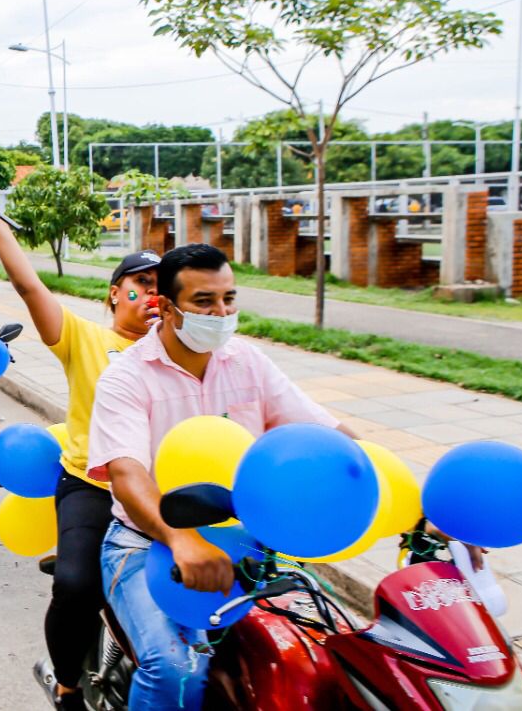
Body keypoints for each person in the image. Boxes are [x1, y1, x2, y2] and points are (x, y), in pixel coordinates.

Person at [86, 244, 352, 711]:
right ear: (166, 307)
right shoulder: (126, 377)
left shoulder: (248, 362)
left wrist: (407, 495)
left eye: (229, 298)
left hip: (246, 541)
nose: (222, 312)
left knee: (313, 652)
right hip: (146, 541)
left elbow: (322, 431)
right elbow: (127, 475)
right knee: (175, 669)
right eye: (204, 302)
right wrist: (180, 538)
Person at [0, 186, 160, 711]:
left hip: (164, 493)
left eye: (163, 288)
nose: (153, 297)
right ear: (115, 293)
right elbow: (27, 286)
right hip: (92, 487)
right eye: (141, 285)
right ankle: (67, 684)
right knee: (74, 584)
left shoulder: (179, 355)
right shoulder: (87, 338)